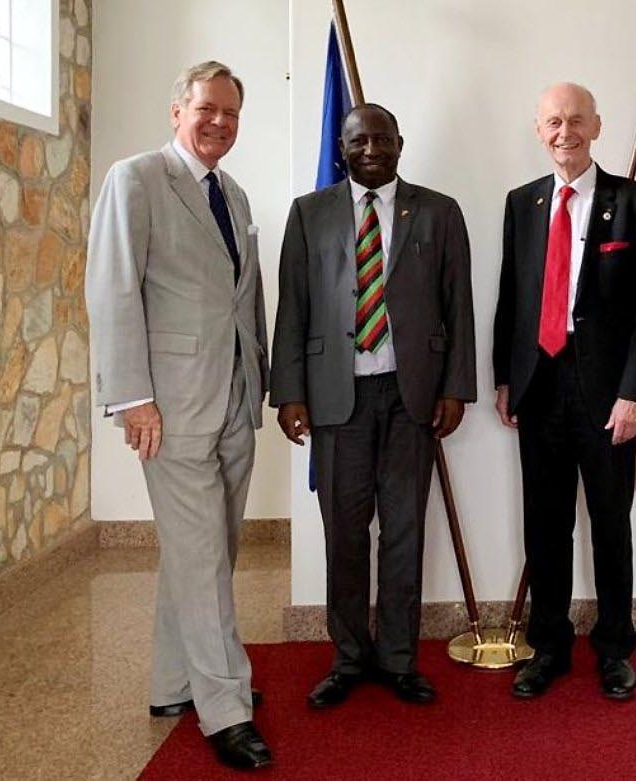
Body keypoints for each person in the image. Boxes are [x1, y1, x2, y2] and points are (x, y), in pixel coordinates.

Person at [86, 61, 272, 769]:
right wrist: (131, 395)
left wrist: (261, 381)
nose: (219, 121)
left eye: (230, 111)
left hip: (232, 397)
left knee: (209, 551)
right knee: (201, 557)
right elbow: (111, 290)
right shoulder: (135, 180)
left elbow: (244, 297)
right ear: (177, 111)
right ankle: (226, 707)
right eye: (207, 109)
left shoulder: (236, 193)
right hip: (168, 404)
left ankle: (172, 682)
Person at [271, 104, 476, 710]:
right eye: (359, 140)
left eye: (382, 139)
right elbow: (293, 307)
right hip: (338, 400)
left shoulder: (438, 211)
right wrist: (289, 393)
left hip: (410, 396)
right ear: (342, 146)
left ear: (399, 144)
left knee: (405, 532)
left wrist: (454, 388)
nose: (371, 149)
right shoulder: (310, 214)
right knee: (345, 533)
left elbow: (456, 304)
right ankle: (349, 656)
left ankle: (399, 659)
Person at [492, 82, 636, 700]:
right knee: (544, 526)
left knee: (609, 524)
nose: (563, 132)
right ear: (538, 131)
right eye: (552, 123)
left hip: (609, 396)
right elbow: (512, 296)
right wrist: (505, 378)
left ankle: (616, 648)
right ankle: (549, 646)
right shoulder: (522, 203)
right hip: (539, 387)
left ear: (597, 127)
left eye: (575, 121)